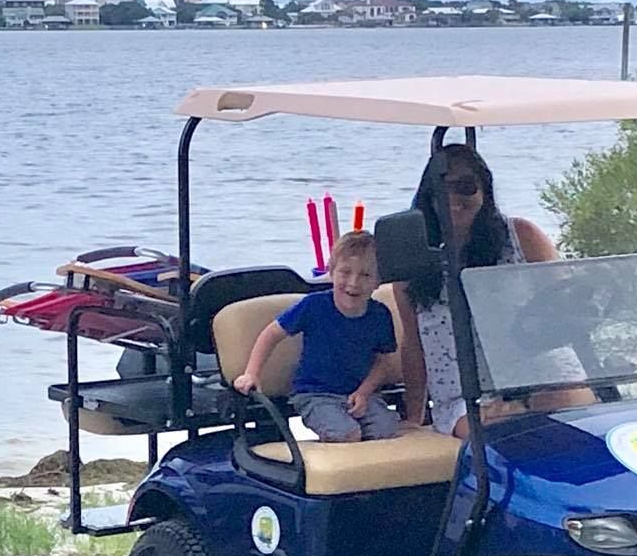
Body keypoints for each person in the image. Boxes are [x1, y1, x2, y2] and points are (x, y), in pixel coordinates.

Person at [392, 144, 590, 438]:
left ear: (484, 191)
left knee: (573, 416)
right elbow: (414, 345)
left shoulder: (521, 237)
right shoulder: (416, 263)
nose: (453, 198)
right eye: (443, 188)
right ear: (429, 195)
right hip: (465, 395)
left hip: (543, 375)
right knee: (502, 431)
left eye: (466, 187)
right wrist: (414, 417)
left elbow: (565, 305)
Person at [234, 229, 403, 442]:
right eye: (345, 272)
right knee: (347, 434)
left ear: (379, 281)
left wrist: (364, 392)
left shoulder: (380, 315)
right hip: (315, 394)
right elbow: (271, 334)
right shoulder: (313, 306)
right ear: (331, 272)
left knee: (386, 432)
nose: (353, 282)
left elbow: (382, 362)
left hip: (360, 393)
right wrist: (251, 373)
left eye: (365, 275)